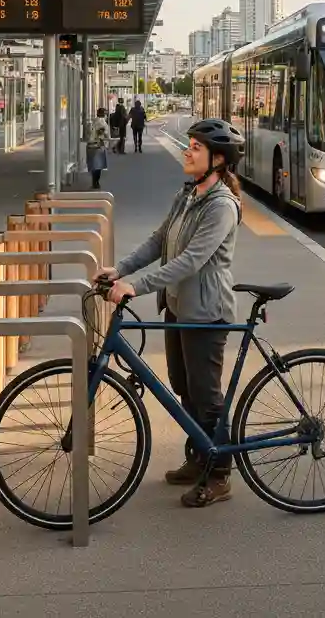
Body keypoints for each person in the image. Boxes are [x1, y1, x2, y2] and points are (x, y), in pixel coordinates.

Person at [98, 118, 245, 508]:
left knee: (207, 397)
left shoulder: (222, 206)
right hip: (178, 307)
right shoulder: (189, 195)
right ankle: (199, 455)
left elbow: (192, 260)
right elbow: (159, 240)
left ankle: (219, 475)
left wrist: (137, 287)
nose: (187, 151)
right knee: (184, 387)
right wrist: (121, 269)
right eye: (190, 145)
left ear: (217, 159)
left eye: (196, 147)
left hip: (205, 313)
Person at [87, 107, 109, 190]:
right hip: (98, 146)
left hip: (90, 146)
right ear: (103, 114)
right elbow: (103, 134)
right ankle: (96, 182)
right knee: (98, 166)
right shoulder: (102, 122)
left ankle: (94, 182)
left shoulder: (93, 121)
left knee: (93, 166)